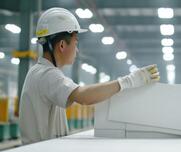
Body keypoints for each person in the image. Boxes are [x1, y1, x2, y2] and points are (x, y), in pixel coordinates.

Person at [19, 8, 160, 145]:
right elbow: (84, 96)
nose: (77, 50)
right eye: (76, 43)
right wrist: (130, 81)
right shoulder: (47, 74)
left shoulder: (39, 72)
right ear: (62, 45)